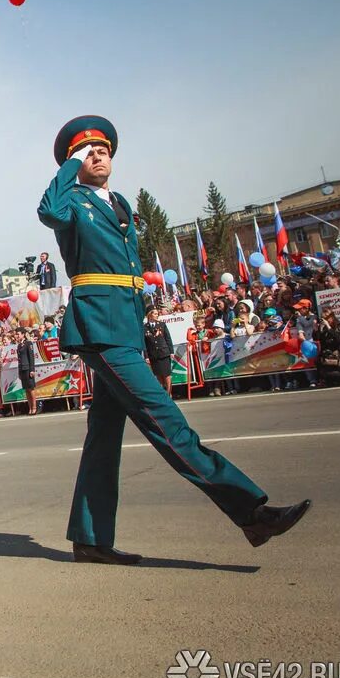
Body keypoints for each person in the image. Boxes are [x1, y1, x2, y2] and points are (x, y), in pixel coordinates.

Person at [39, 115, 310, 563]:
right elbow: (48, 210)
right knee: (167, 421)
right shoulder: (71, 203)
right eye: (88, 151)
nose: (99, 154)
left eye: (104, 149)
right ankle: (251, 513)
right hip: (100, 328)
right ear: (73, 160)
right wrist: (71, 166)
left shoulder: (119, 204)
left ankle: (89, 539)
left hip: (125, 325)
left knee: (103, 438)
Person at [314, 309, 340, 386]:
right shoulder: (324, 330)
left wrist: (329, 327)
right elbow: (317, 339)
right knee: (318, 360)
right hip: (329, 356)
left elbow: (339, 339)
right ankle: (324, 379)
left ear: (332, 318)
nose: (324, 321)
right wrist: (316, 329)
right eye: (322, 319)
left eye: (326, 318)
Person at [142, 308, 174, 394]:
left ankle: (169, 393)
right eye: (155, 314)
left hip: (164, 353)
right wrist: (146, 356)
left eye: (157, 314)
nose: (157, 315)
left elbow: (168, 339)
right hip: (153, 355)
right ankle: (162, 394)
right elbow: (144, 343)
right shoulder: (144, 328)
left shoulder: (162, 325)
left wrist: (171, 352)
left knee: (167, 375)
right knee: (158, 375)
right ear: (150, 315)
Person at [15, 327, 39, 414]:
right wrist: (19, 371)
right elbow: (19, 359)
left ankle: (34, 407)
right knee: (26, 389)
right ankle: (30, 408)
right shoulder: (19, 345)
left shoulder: (28, 343)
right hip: (22, 368)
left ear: (23, 334)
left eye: (18, 334)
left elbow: (31, 357)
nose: (17, 336)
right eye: (16, 334)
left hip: (28, 368)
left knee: (31, 388)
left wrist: (32, 370)